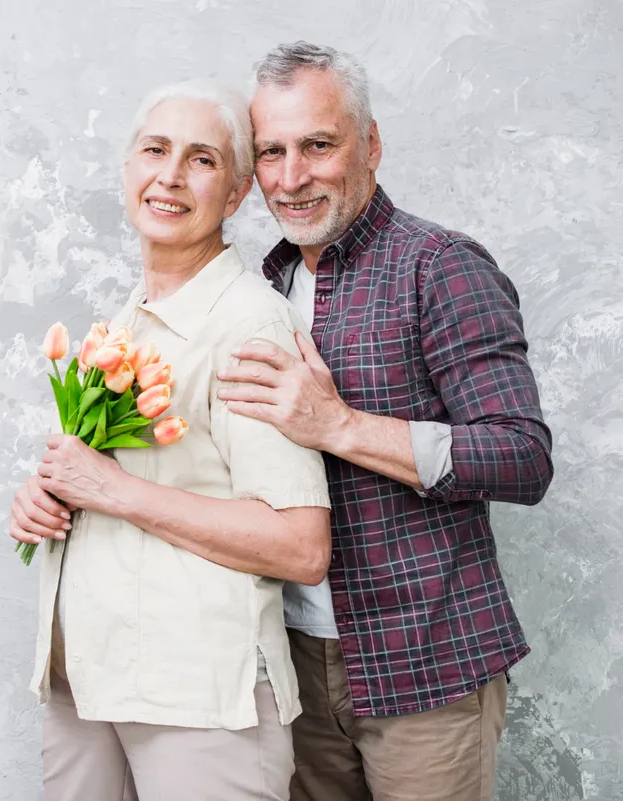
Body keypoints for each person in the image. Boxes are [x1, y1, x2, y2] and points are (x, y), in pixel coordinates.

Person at [215, 41, 554, 801]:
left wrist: (338, 425)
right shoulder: (261, 286)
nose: (292, 176)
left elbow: (522, 455)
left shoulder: (442, 266)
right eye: (272, 151)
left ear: (370, 142)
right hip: (294, 667)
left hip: (427, 670)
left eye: (318, 145)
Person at [8, 80, 331, 800]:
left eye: (202, 159)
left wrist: (114, 490)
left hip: (195, 698)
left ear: (239, 190)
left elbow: (299, 543)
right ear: (128, 168)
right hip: (86, 682)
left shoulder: (250, 328)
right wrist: (48, 498)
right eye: (155, 150)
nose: (171, 176)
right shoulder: (126, 323)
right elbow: (114, 478)